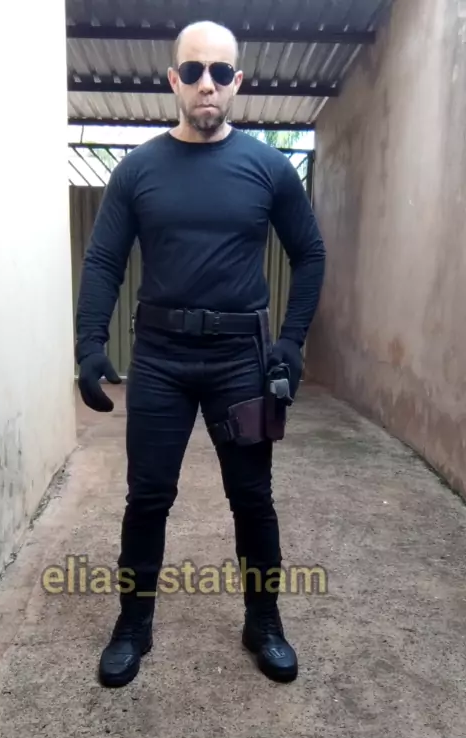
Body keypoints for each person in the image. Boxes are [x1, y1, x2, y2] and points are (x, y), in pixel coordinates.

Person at [75, 19, 326, 689]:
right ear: (173, 80)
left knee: (252, 498)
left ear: (237, 82)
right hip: (159, 359)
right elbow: (103, 261)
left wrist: (290, 342)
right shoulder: (137, 171)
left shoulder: (269, 168)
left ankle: (264, 622)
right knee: (147, 497)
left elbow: (309, 253)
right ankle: (133, 625)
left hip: (241, 361)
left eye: (219, 71)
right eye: (193, 71)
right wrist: (89, 343)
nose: (206, 84)